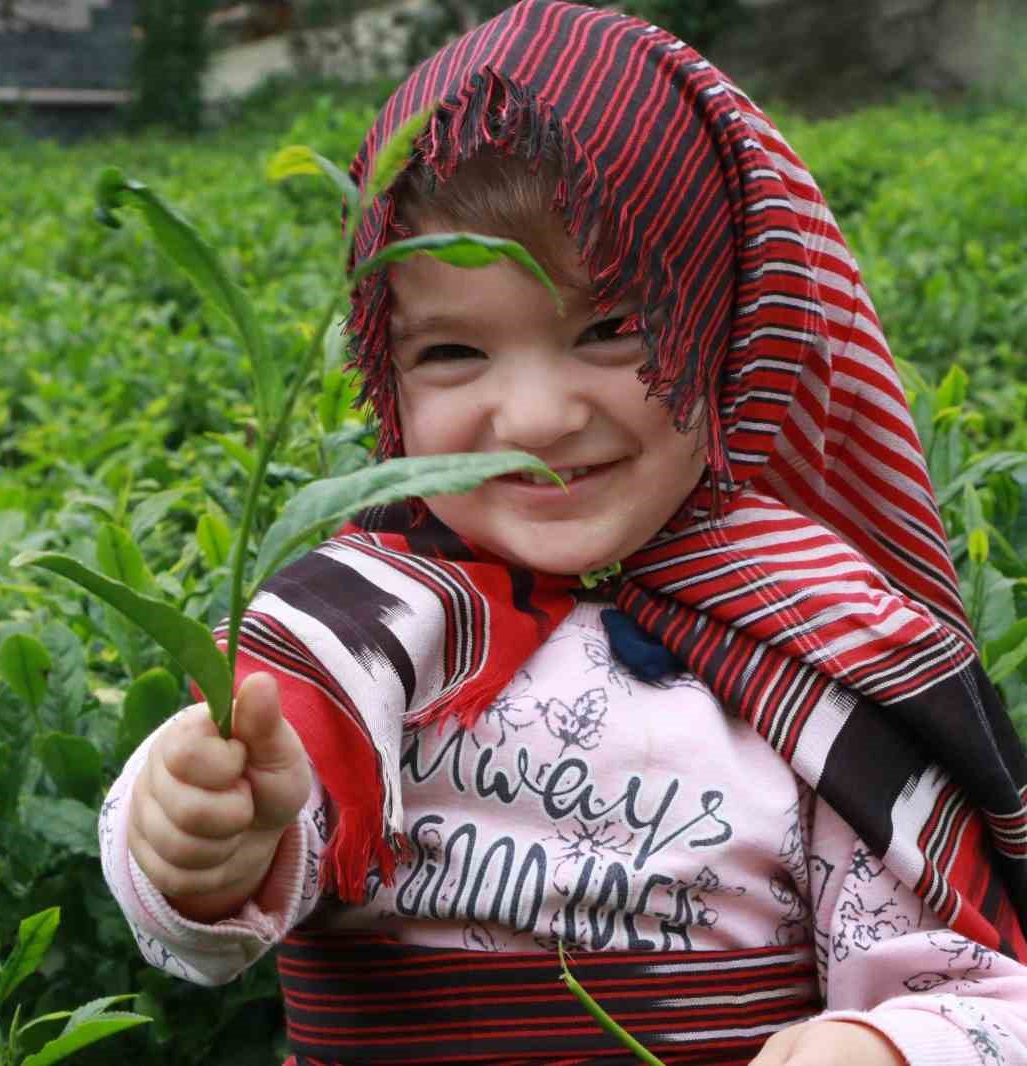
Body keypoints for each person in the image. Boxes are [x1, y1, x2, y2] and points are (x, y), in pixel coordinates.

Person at [97, 1, 1027, 1062]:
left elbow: (974, 987)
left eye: (612, 329)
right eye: (452, 353)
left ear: (726, 328)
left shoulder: (817, 643)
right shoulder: (349, 634)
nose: (535, 418)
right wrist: (193, 841)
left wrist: (885, 1044)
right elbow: (210, 912)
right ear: (386, 372)